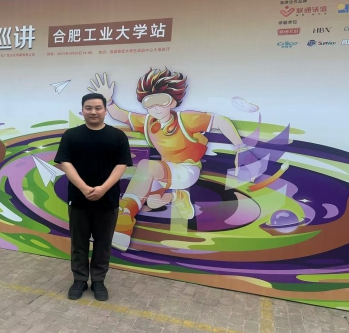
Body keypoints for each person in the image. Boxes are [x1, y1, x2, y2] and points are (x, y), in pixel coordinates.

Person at [88, 69, 249, 251]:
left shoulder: (186, 119)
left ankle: (123, 221)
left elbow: (221, 121)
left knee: (146, 166)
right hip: (165, 170)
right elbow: (120, 115)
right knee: (152, 201)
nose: (156, 107)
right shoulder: (148, 122)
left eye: (161, 101)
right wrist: (108, 100)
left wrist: (240, 148)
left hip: (187, 170)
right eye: (149, 102)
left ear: (172, 101)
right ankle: (178, 196)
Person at [54, 93, 133, 301]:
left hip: (108, 199)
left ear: (105, 110)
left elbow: (122, 165)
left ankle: (98, 281)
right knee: (78, 243)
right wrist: (84, 188)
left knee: (103, 243)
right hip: (78, 199)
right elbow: (64, 163)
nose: (93, 112)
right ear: (82, 110)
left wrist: (103, 189)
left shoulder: (117, 136)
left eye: (98, 108)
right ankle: (79, 280)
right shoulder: (71, 135)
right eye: (88, 108)